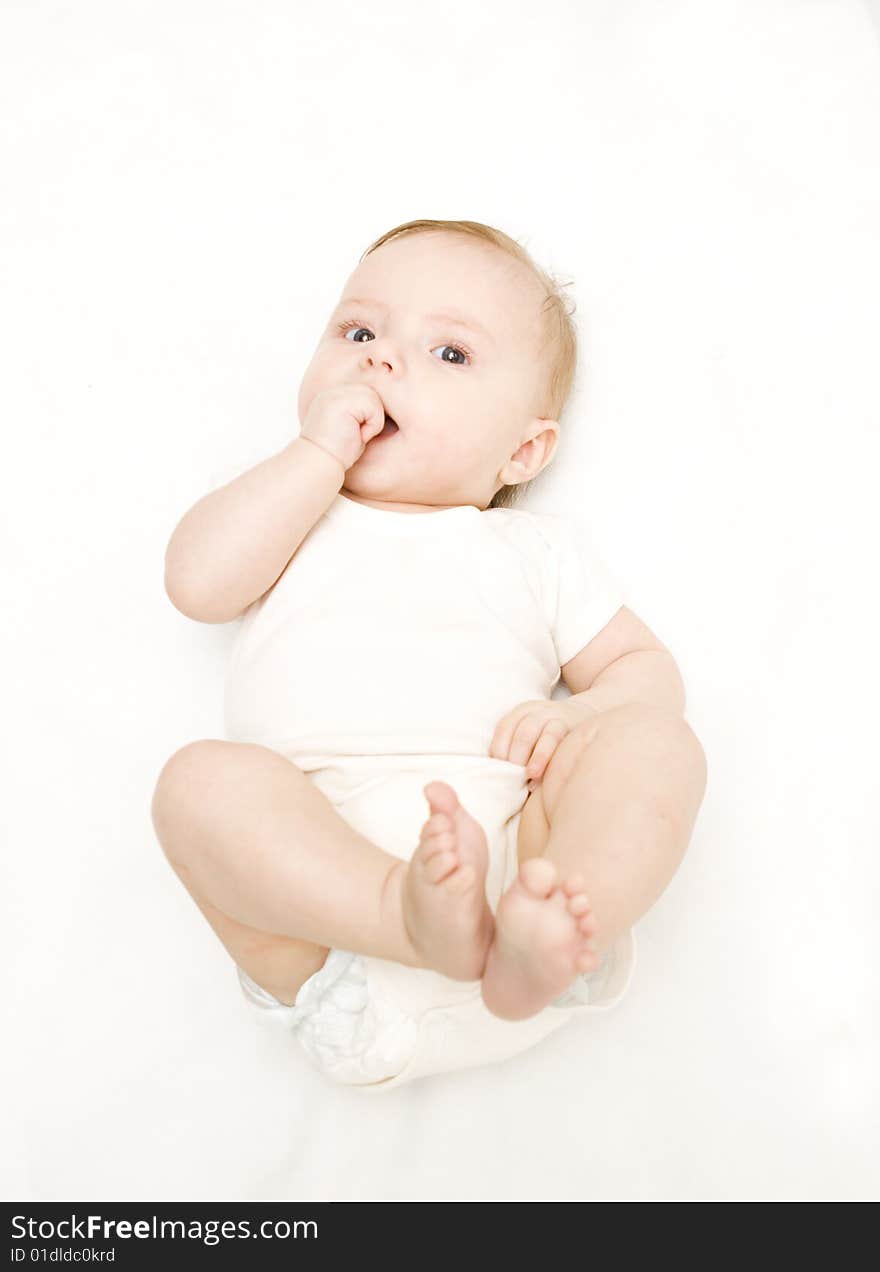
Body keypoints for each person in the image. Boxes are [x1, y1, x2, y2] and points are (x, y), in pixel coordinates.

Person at [151, 219, 707, 1091]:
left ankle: (573, 910)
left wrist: (582, 716)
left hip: (515, 869)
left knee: (657, 745)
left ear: (523, 450)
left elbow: (647, 674)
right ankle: (402, 916)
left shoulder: (535, 551)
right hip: (334, 931)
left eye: (449, 354)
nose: (381, 362)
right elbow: (197, 583)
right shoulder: (293, 513)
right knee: (195, 785)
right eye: (359, 332)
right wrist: (315, 456)